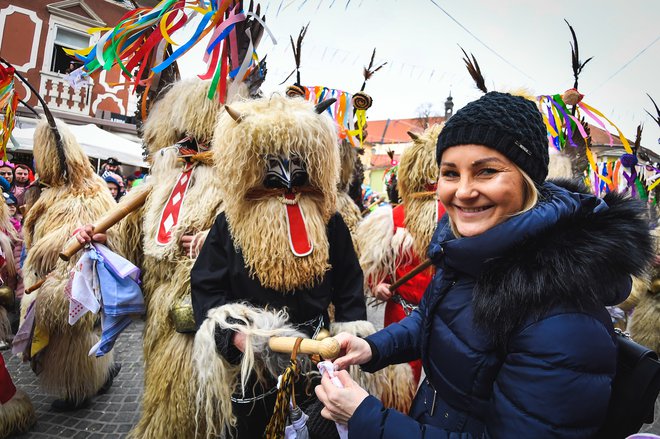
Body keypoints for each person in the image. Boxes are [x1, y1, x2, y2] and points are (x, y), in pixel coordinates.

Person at [315, 91, 655, 437]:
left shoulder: (562, 314)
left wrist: (365, 416)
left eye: (486, 171)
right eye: (450, 173)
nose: (462, 191)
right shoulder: (472, 249)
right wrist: (374, 347)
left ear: (527, 180)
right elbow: (440, 320)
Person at [190, 94, 369, 438]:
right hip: (254, 366)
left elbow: (349, 283)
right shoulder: (229, 225)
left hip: (320, 358)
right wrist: (237, 338)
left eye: (297, 160)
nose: (286, 177)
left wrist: (348, 333)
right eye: (273, 161)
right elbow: (208, 288)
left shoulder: (330, 222)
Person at [18, 118, 120, 412]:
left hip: (77, 277)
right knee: (58, 338)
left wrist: (63, 245)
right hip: (47, 277)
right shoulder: (45, 191)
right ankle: (101, 374)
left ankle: (81, 389)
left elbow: (107, 233)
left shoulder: (89, 190)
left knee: (77, 335)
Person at [357, 124, 445, 387]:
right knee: (401, 382)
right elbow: (376, 266)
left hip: (449, 314)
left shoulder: (463, 216)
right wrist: (378, 286)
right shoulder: (391, 219)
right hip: (402, 312)